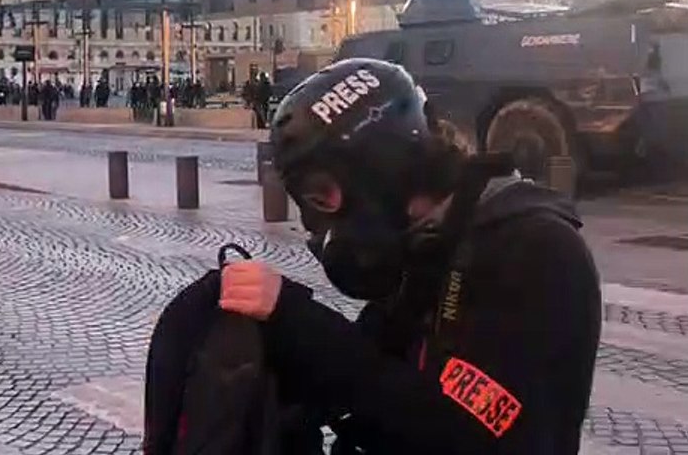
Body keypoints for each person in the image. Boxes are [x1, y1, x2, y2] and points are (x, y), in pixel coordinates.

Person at [219, 58, 600, 454]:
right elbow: (370, 372)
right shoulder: (426, 247)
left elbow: (476, 432)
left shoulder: (538, 250)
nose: (316, 226)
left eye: (323, 195)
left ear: (379, 165)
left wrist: (301, 324)